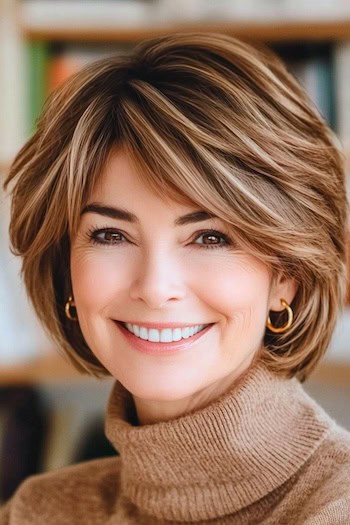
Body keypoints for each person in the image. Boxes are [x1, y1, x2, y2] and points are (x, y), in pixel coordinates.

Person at [1, 32, 349, 524]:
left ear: (285, 277)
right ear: (66, 269)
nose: (156, 286)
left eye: (210, 238)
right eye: (109, 235)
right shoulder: (39, 511)